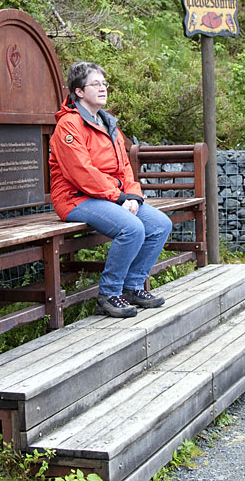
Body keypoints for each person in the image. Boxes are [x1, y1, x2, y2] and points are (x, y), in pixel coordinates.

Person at [49, 62, 173, 318]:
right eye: (96, 84)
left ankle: (133, 287)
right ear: (79, 91)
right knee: (132, 228)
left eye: (104, 83)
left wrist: (134, 196)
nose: (103, 88)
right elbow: (81, 172)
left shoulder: (108, 124)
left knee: (161, 224)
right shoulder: (69, 126)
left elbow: (124, 167)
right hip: (76, 199)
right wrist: (119, 197)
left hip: (109, 197)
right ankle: (108, 294)